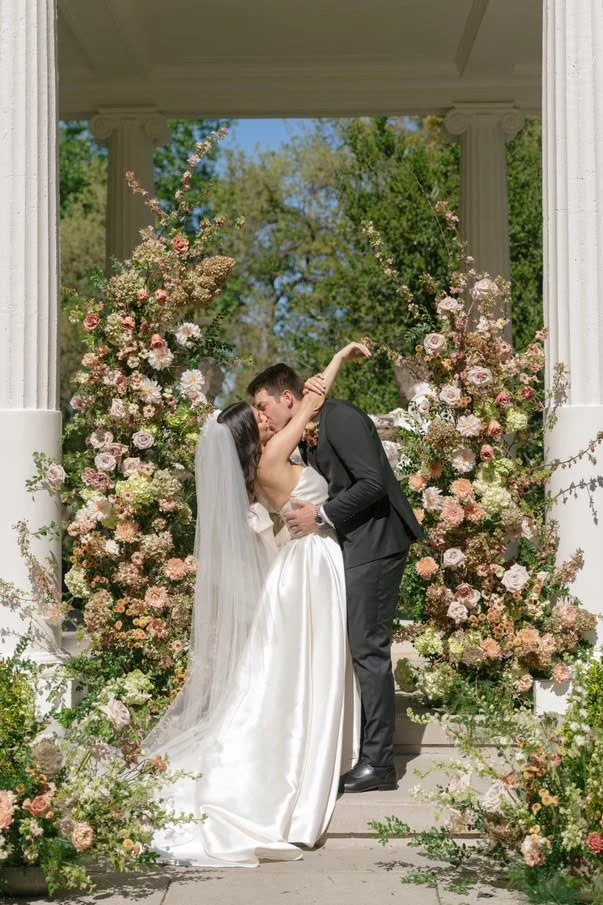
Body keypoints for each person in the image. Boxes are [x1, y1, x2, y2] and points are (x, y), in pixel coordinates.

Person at [142, 343, 367, 867]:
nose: (268, 420)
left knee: (292, 669)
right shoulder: (270, 457)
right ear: (254, 436)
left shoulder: (258, 468)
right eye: (261, 418)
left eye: (265, 411)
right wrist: (337, 356)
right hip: (310, 564)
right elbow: (312, 399)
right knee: (311, 662)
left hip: (299, 568)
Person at [248, 356, 423, 794]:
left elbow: (372, 483)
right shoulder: (302, 434)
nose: (262, 416)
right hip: (348, 547)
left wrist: (321, 515)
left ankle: (379, 762)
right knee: (353, 647)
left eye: (263, 405)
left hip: (376, 544)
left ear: (288, 398)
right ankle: (355, 746)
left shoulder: (341, 417)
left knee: (368, 648)